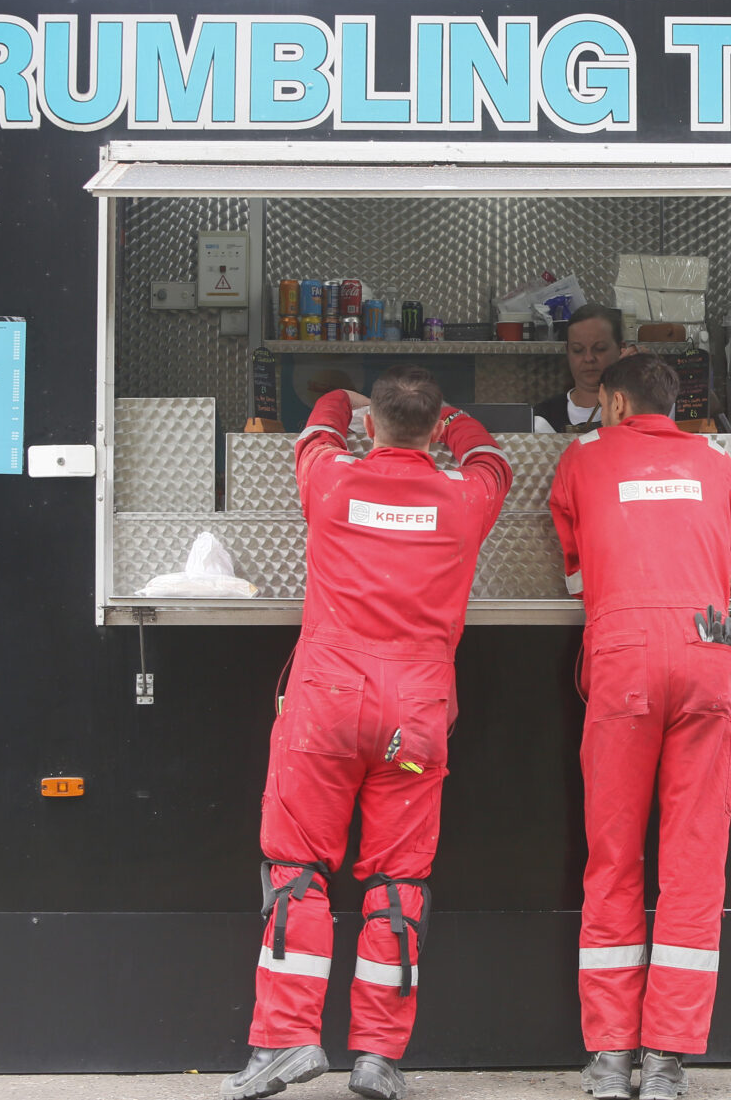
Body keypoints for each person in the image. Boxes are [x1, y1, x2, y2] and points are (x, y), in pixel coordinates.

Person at [222, 366, 511, 1100]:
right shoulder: (462, 498)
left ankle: (285, 1040)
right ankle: (378, 1055)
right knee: (397, 878)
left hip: (325, 703)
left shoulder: (332, 481)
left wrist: (343, 401)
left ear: (373, 425)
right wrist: (449, 421)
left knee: (297, 869)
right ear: (434, 425)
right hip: (414, 717)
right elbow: (493, 458)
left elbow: (316, 429)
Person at [548, 352, 731, 1100]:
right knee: (694, 862)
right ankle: (667, 1061)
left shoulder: (582, 459)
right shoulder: (717, 463)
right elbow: (714, 546)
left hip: (626, 661)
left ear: (610, 403)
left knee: (613, 860)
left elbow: (577, 573)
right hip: (708, 654)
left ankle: (611, 1058)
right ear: (676, 408)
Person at [534, 305, 635, 434]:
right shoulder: (543, 416)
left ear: (621, 348)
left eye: (600, 348)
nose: (588, 358)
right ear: (568, 352)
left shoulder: (636, 409)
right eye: (578, 350)